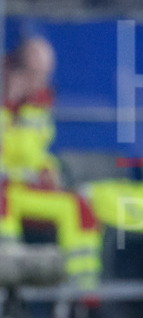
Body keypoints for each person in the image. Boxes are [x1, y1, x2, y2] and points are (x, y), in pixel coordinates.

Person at [0, 36, 102, 289]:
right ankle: (9, 285)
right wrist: (9, 103)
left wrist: (49, 171)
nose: (41, 81)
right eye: (35, 74)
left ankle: (83, 296)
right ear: (16, 71)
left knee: (80, 207)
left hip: (28, 191)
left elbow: (37, 153)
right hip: (6, 192)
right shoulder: (6, 102)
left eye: (45, 74)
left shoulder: (39, 104)